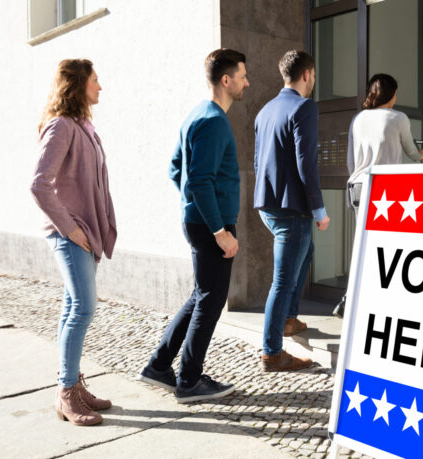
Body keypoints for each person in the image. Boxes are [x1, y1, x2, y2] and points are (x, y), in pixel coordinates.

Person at [137, 49, 248, 403]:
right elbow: (198, 181)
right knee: (211, 302)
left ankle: (159, 365)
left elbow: (175, 168)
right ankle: (189, 381)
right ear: (225, 80)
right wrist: (220, 231)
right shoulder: (214, 120)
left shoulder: (196, 115)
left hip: (200, 220)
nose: (247, 82)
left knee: (201, 295)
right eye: (243, 76)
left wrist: (192, 206)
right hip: (211, 226)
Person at [31, 59, 117, 426]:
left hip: (82, 230)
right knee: (83, 309)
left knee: (73, 309)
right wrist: (70, 229)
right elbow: (38, 184)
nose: (101, 86)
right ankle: (66, 393)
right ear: (78, 84)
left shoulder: (83, 125)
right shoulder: (61, 126)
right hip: (70, 233)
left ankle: (73, 385)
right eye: (96, 80)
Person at [254, 50, 330, 372]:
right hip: (292, 208)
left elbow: (259, 162)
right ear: (308, 74)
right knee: (282, 281)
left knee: (306, 251)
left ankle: (288, 318)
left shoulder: (264, 111)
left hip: (268, 206)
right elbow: (305, 163)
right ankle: (272, 352)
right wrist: (319, 210)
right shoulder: (304, 107)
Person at [334, 73, 423, 318]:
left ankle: (349, 299)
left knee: (364, 246)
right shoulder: (398, 118)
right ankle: (384, 302)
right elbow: (412, 152)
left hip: (357, 187)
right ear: (391, 94)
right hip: (385, 190)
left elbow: (350, 160)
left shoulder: (358, 119)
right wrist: (422, 154)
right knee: (388, 248)